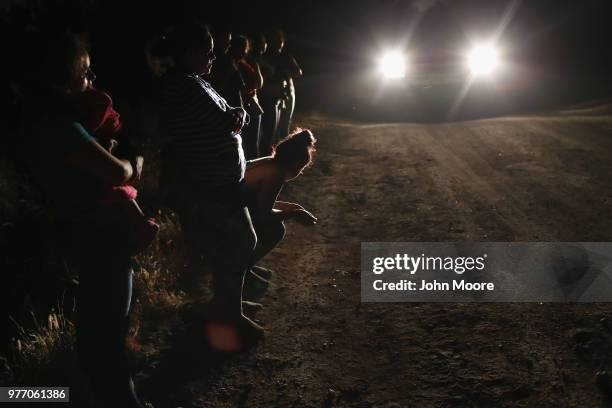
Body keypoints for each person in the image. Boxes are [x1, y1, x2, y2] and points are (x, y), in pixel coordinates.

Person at [19, 30, 147, 407]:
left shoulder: (44, 123)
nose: (92, 81)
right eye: (85, 73)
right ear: (61, 81)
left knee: (98, 333)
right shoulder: (61, 129)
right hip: (99, 237)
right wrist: (134, 163)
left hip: (83, 232)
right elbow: (117, 173)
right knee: (107, 338)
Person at [158, 22, 262, 351]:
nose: (214, 56)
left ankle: (230, 307)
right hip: (211, 183)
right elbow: (227, 119)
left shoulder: (192, 81)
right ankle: (228, 313)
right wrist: (238, 115)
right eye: (207, 51)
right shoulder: (182, 87)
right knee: (241, 243)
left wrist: (234, 115)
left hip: (218, 180)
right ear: (189, 53)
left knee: (234, 246)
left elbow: (226, 115)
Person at [74, 87, 159, 252]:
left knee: (117, 189)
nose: (93, 77)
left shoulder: (96, 101)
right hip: (114, 149)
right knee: (118, 190)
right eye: (85, 72)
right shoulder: (92, 102)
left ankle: (141, 224)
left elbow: (119, 171)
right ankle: (141, 224)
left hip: (114, 145)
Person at [243, 128, 317, 272]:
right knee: (275, 229)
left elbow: (255, 201)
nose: (299, 173)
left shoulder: (268, 161)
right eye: (301, 169)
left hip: (220, 199)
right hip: (222, 210)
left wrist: (286, 207)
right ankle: (242, 267)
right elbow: (263, 214)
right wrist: (294, 214)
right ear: (296, 165)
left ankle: (243, 265)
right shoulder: (276, 175)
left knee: (275, 222)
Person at [265, 29, 302, 142]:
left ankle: (283, 150)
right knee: (271, 126)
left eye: (279, 41)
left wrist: (285, 71)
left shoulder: (285, 57)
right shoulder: (266, 56)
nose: (278, 44)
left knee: (284, 124)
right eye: (275, 41)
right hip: (272, 93)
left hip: (287, 92)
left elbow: (298, 72)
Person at [230, 35, 263, 160]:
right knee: (246, 144)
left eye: (245, 48)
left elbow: (258, 83)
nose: (243, 51)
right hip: (242, 107)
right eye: (240, 47)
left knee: (253, 142)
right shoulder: (232, 64)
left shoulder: (245, 63)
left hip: (250, 105)